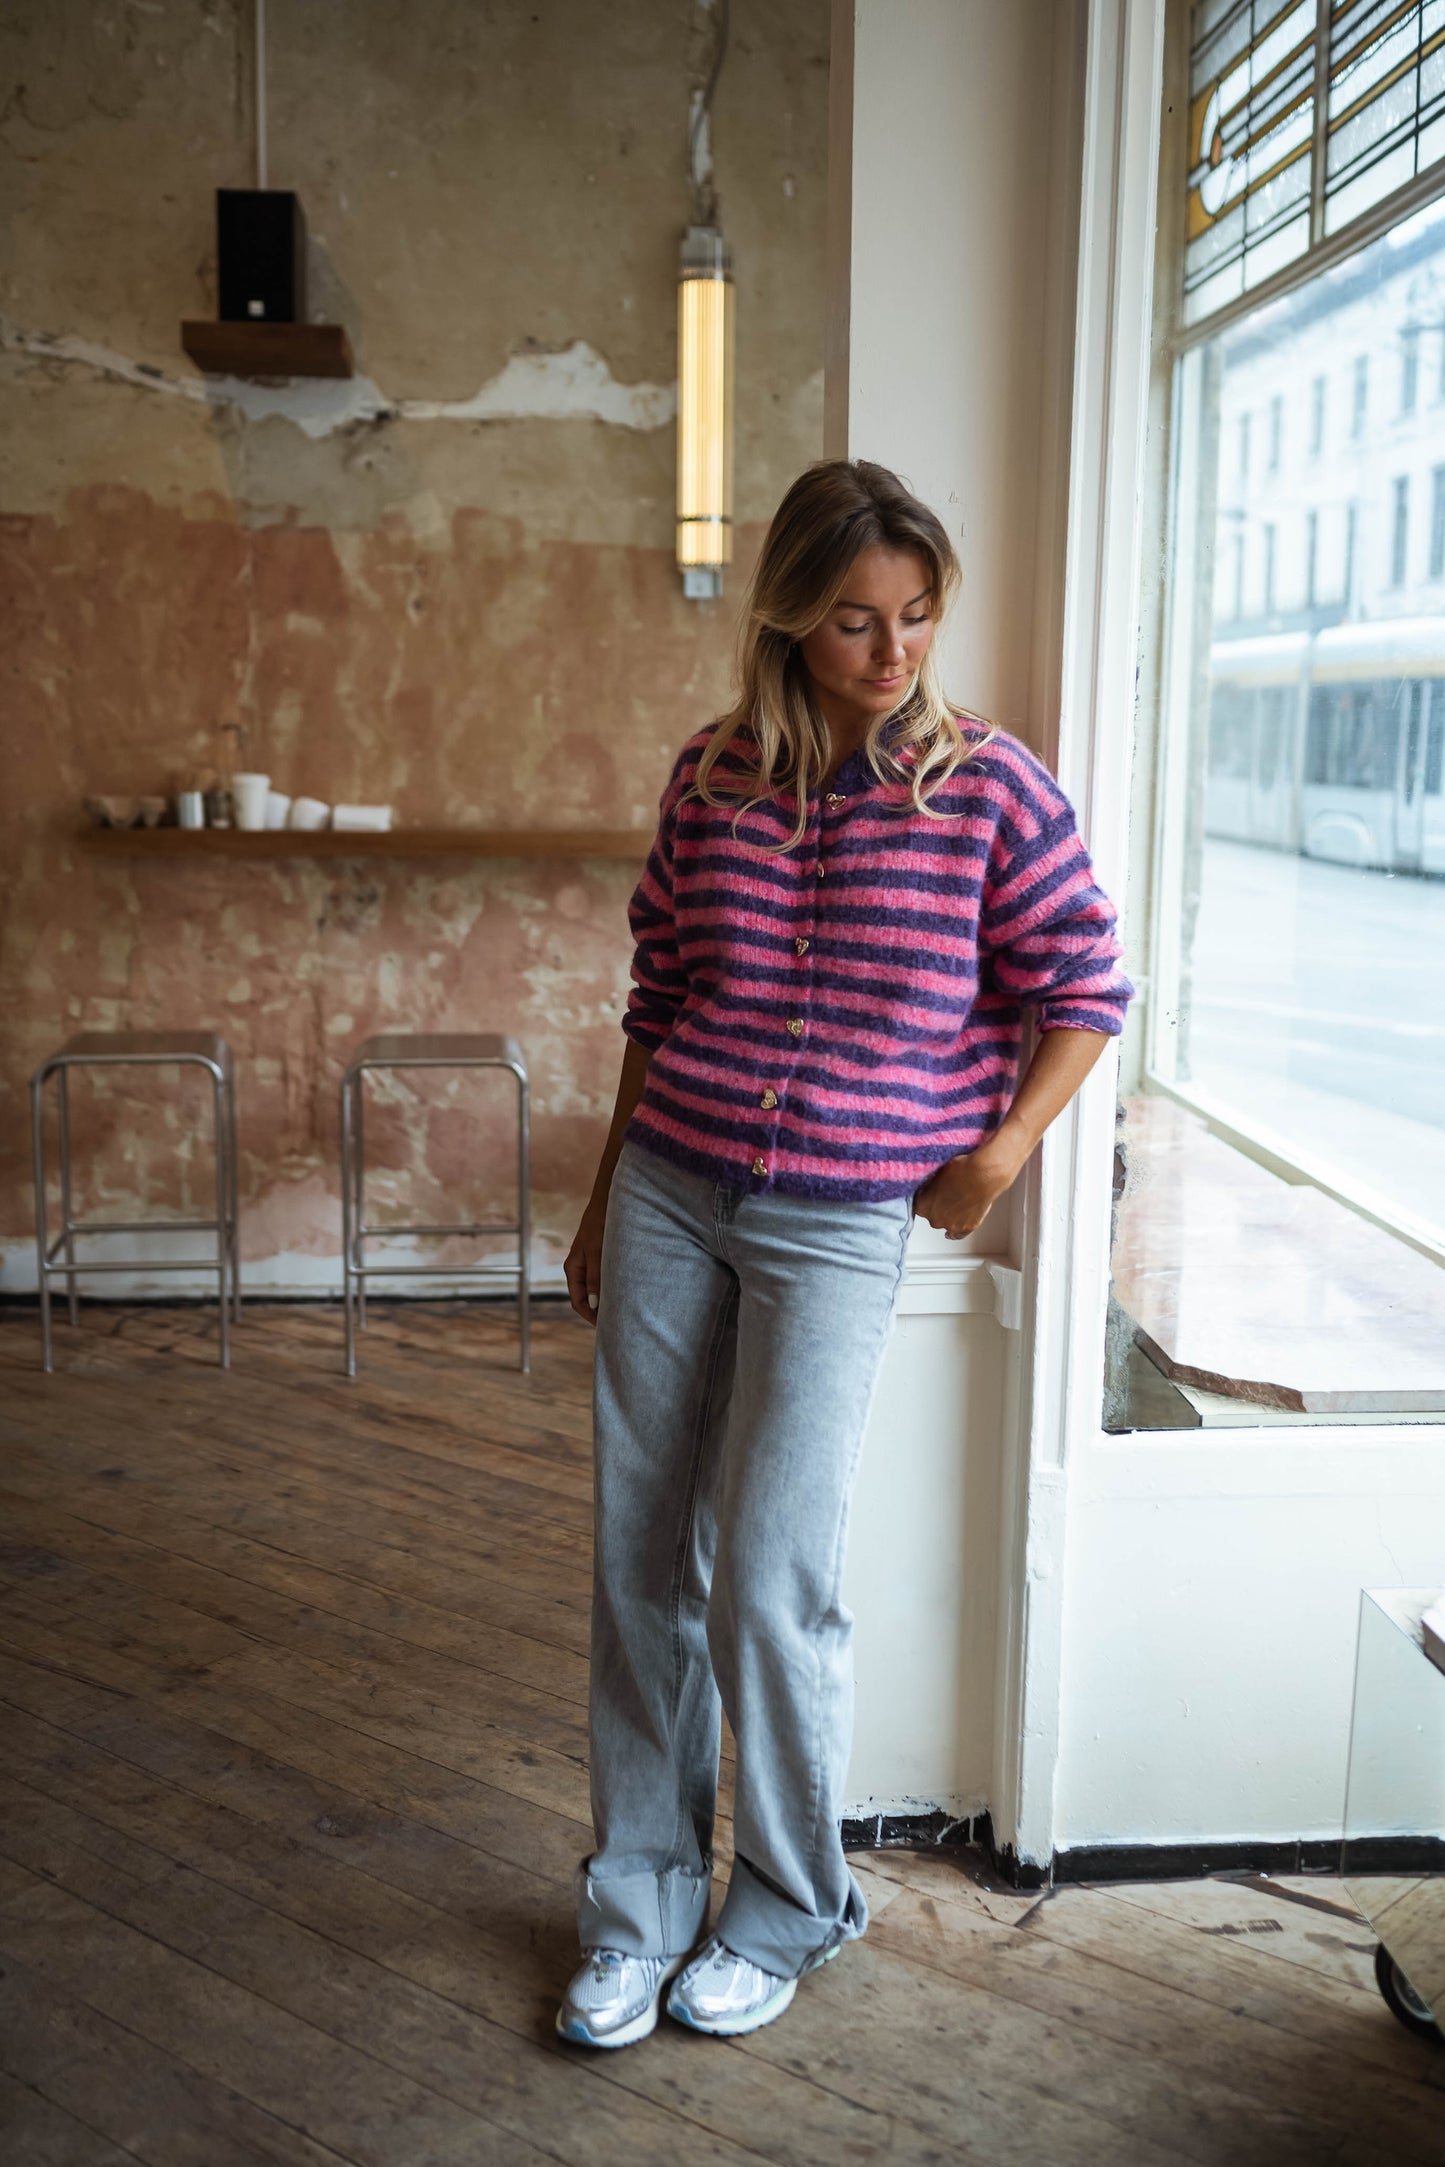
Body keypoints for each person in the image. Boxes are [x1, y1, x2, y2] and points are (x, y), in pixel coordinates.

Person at [556, 458, 1133, 2049]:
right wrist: (606, 1199)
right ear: (790, 623)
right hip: (674, 1184)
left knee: (769, 1575)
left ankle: (797, 1903)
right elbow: (655, 1004)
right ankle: (638, 1897)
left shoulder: (988, 788)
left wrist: (999, 1153)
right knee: (636, 1558)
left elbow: (1086, 983)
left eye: (916, 619)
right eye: (856, 624)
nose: (894, 656)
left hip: (835, 1217)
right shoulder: (709, 775)